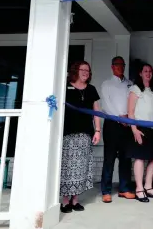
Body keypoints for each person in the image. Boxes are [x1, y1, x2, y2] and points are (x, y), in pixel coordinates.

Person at [60, 61, 101, 213]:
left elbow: (96, 111)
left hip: (85, 134)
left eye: (88, 71)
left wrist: (98, 130)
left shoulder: (91, 89)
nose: (85, 72)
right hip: (67, 134)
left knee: (81, 167)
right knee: (67, 168)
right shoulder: (65, 87)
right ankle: (65, 201)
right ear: (75, 71)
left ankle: (75, 200)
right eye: (82, 69)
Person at [100, 56, 135, 203]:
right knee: (109, 158)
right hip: (113, 124)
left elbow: (133, 102)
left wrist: (129, 117)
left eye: (123, 65)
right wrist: (120, 117)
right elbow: (106, 105)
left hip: (127, 124)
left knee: (126, 158)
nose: (121, 67)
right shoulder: (106, 84)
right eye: (118, 65)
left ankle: (124, 188)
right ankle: (106, 191)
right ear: (112, 67)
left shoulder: (130, 84)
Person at [127, 62, 153, 203]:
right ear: (140, 73)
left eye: (150, 71)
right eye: (145, 71)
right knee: (140, 157)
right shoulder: (135, 89)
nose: (148, 73)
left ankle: (148, 186)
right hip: (140, 128)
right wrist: (134, 129)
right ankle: (139, 189)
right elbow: (130, 112)